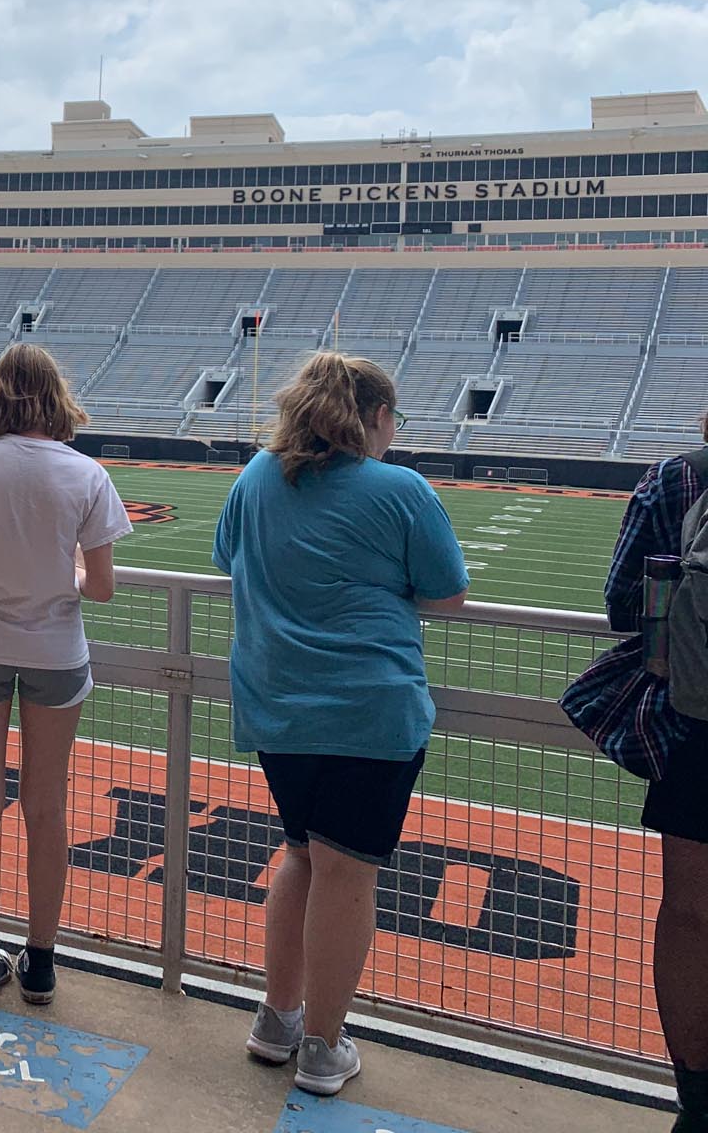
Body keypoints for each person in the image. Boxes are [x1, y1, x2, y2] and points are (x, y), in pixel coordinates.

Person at [212, 351, 466, 1098]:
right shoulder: (401, 489)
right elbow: (447, 592)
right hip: (368, 711)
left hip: (276, 705)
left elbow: (227, 557)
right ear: (376, 418)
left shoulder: (257, 475)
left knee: (299, 855)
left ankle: (277, 1019)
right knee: (347, 870)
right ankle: (323, 1046)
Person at [0, 334, 131, 1005]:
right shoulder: (86, 473)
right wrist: (64, 570)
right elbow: (99, 586)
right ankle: (41, 962)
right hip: (55, 652)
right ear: (55, 398)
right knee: (47, 808)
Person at [603, 414, 708, 1133]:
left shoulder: (680, 476)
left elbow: (620, 603)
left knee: (691, 916)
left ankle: (697, 1105)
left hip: (697, 730)